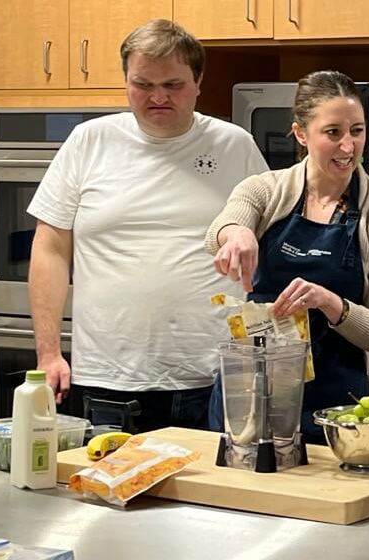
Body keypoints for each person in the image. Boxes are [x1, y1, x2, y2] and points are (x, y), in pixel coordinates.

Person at [27, 19, 268, 432]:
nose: (158, 97)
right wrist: (49, 353)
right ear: (126, 81)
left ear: (198, 82)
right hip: (108, 378)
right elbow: (50, 249)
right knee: (100, 494)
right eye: (143, 84)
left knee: (212, 497)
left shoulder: (234, 146)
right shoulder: (89, 142)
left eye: (173, 85)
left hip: (213, 377)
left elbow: (267, 239)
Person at [205, 70, 369, 444]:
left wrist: (331, 304)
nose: (348, 147)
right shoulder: (265, 191)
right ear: (301, 134)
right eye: (333, 133)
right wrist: (236, 235)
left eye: (357, 131)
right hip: (251, 403)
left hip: (338, 410)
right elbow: (225, 225)